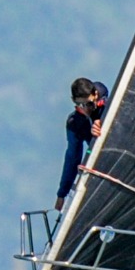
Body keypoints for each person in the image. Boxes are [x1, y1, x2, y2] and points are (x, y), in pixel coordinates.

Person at [54, 77, 107, 210]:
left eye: (89, 104)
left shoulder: (104, 100)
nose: (86, 109)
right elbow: (73, 158)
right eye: (81, 105)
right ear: (74, 101)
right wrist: (62, 194)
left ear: (95, 94)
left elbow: (106, 95)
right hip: (103, 166)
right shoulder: (74, 123)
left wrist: (102, 122)